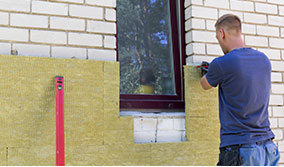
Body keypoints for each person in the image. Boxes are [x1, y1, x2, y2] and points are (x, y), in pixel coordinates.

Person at [200, 14, 280, 166]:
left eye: (217, 38)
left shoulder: (221, 63)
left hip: (240, 149)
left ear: (221, 33)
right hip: (268, 148)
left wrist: (208, 72)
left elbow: (205, 84)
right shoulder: (264, 59)